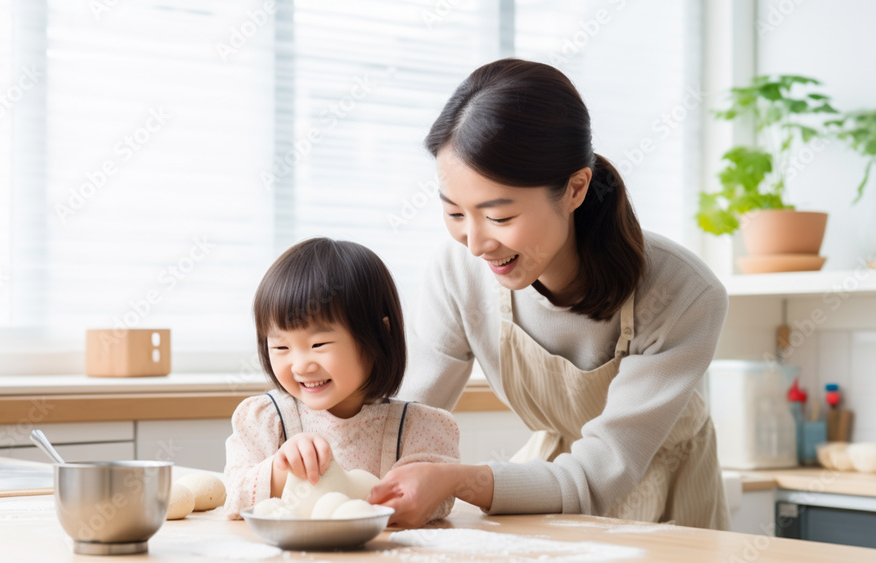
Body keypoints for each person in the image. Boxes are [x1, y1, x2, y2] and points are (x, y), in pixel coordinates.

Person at [367, 59, 731, 530]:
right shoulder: (458, 273)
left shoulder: (683, 292)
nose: (476, 245)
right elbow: (400, 421)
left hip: (667, 493)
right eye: (455, 214)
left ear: (575, 188)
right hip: (547, 483)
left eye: (498, 217)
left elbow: (601, 473)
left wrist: (460, 480)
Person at [223, 237, 460, 523]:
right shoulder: (265, 420)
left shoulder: (416, 429)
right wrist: (282, 468)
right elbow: (234, 499)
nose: (300, 365)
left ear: (378, 336)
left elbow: (440, 502)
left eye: (319, 344)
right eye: (281, 347)